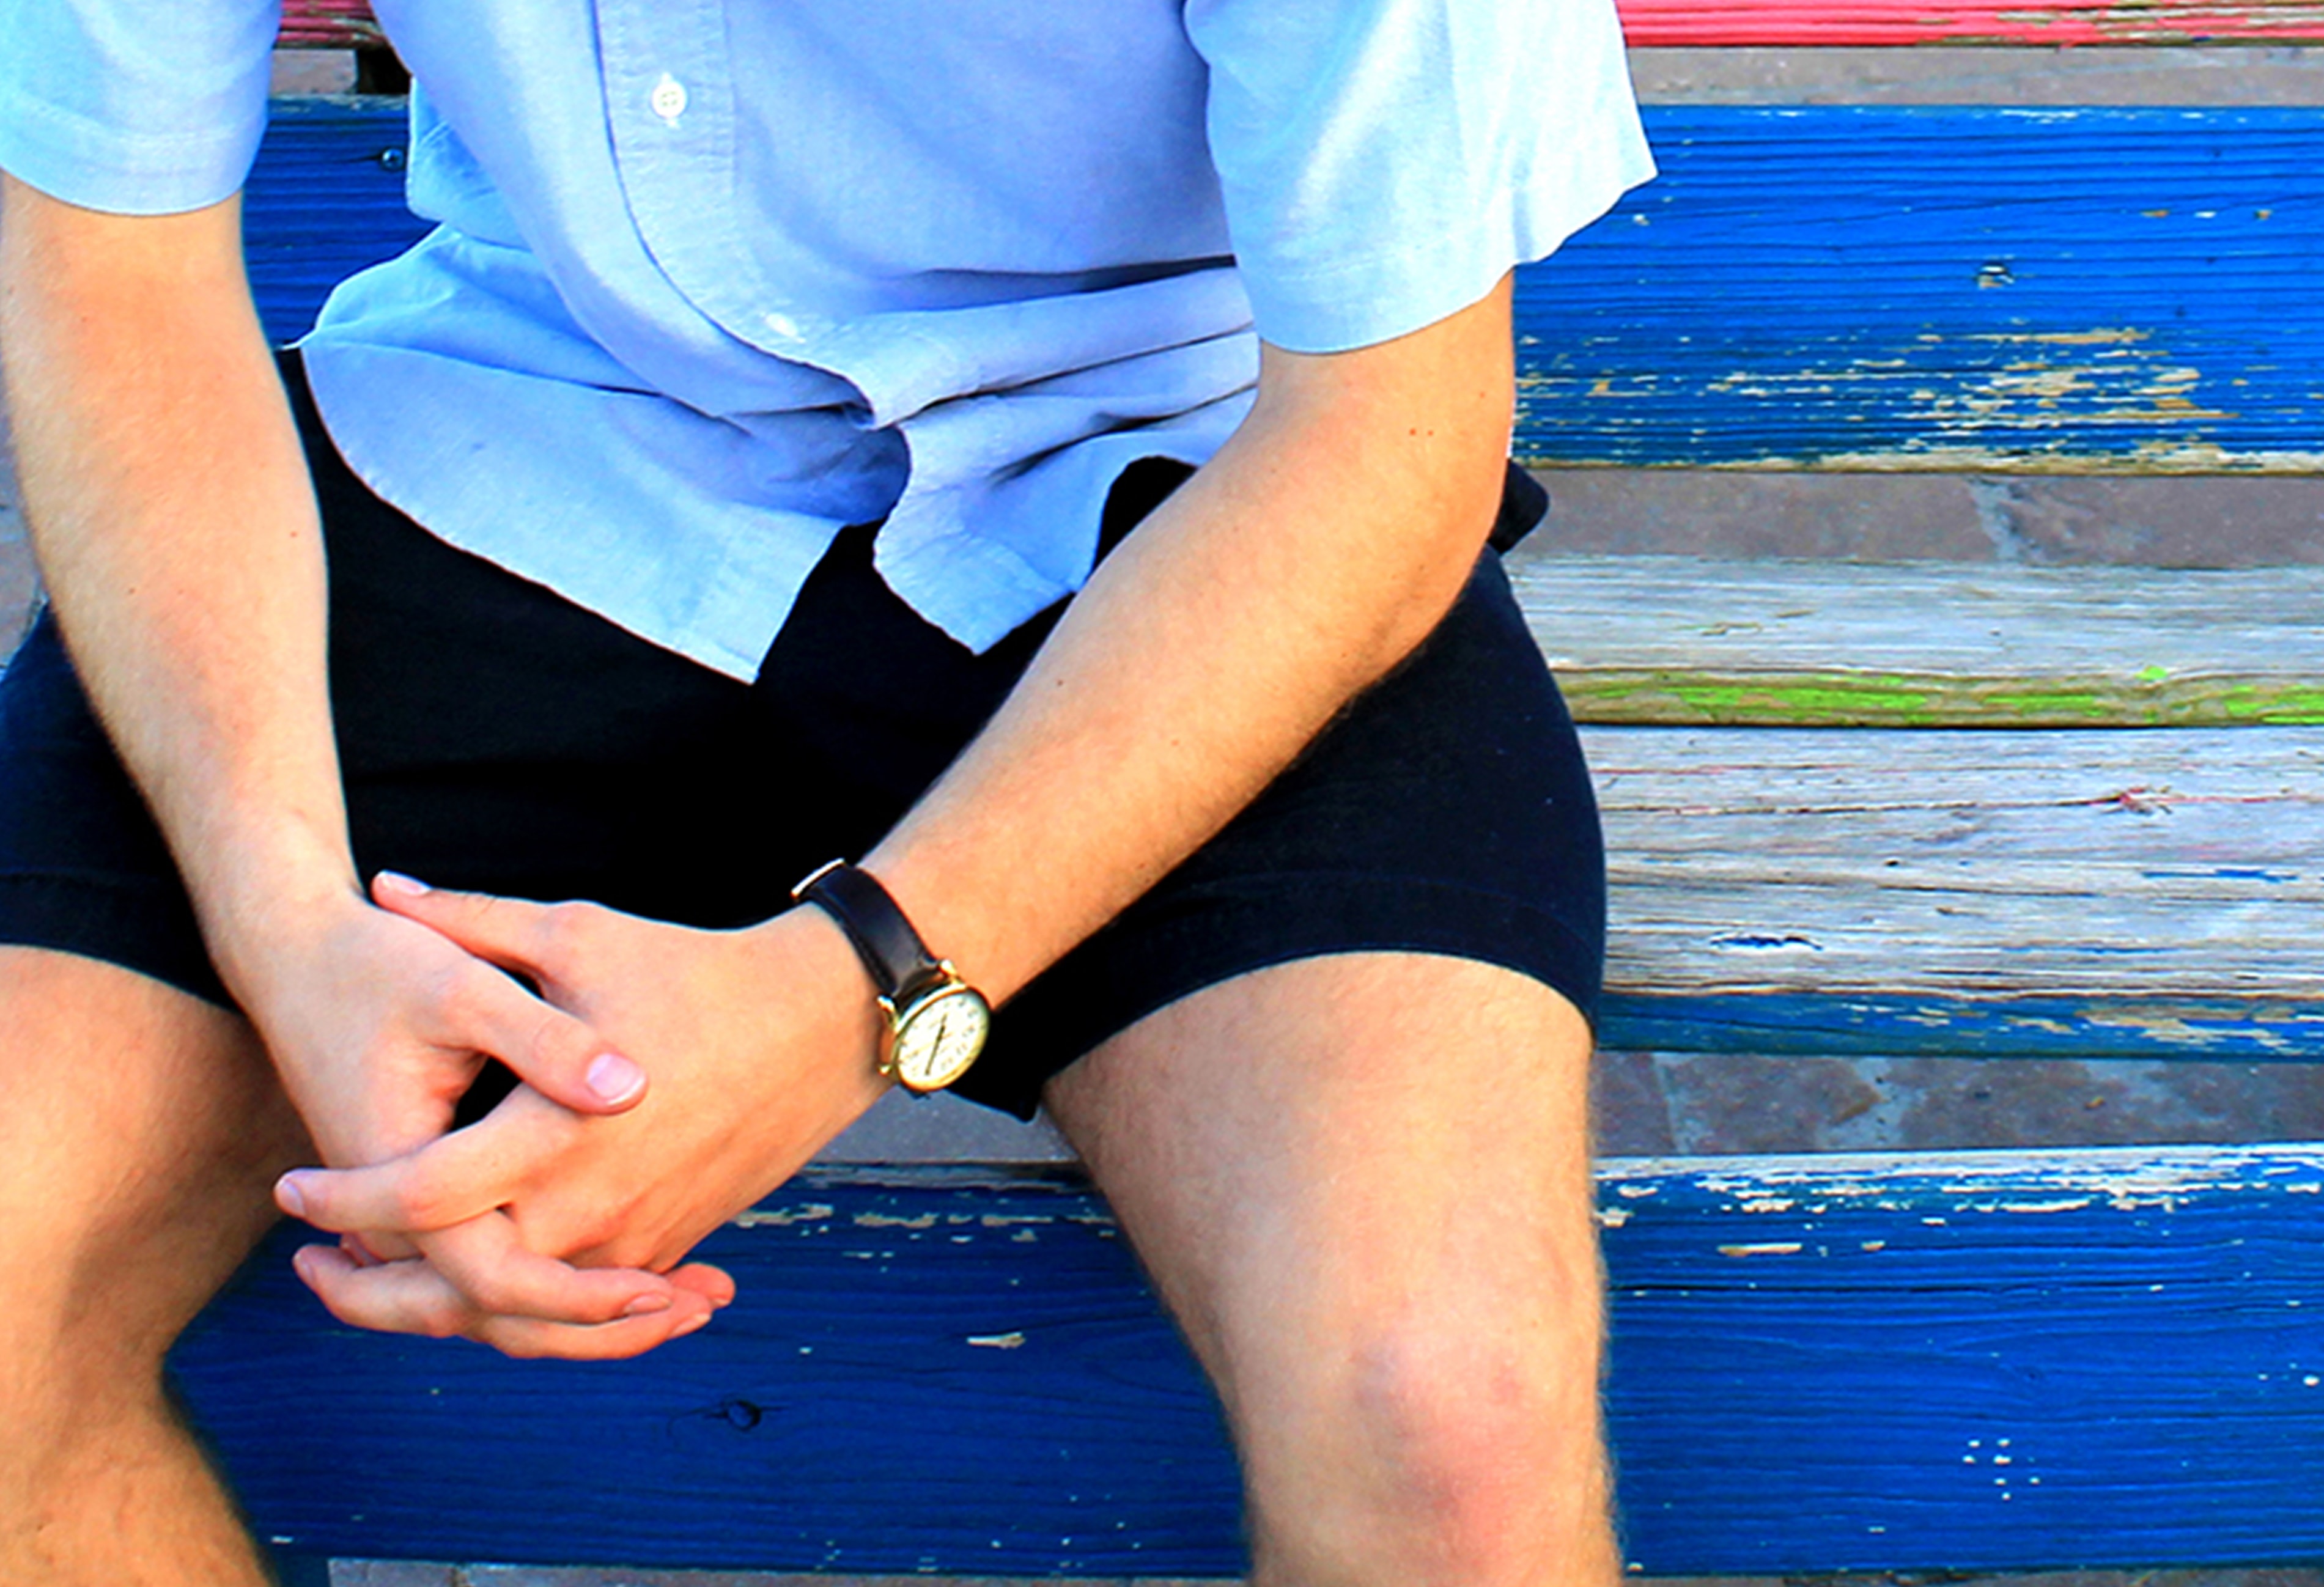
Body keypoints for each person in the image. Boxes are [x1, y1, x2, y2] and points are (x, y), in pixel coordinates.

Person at [0, 2, 1653, 1581]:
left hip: (1184, 489)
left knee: (1450, 1420)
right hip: (520, 429)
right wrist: (280, 916)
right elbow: (112, 276)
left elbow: (1391, 434)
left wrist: (862, 984)